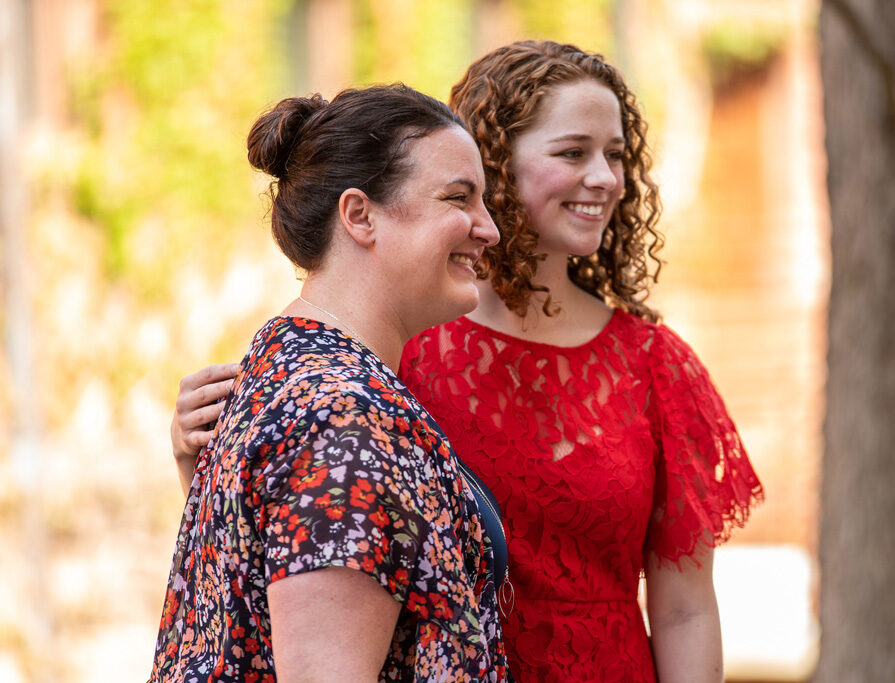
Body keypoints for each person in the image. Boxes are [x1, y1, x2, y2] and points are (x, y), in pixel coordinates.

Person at [172, 41, 763, 682]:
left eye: (616, 155)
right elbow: (296, 556)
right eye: (572, 152)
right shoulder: (388, 351)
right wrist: (204, 464)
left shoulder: (655, 364)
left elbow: (685, 610)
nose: (604, 177)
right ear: (496, 163)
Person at [152, 84, 511, 682]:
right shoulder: (342, 418)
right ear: (359, 215)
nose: (489, 229)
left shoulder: (291, 370)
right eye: (458, 198)